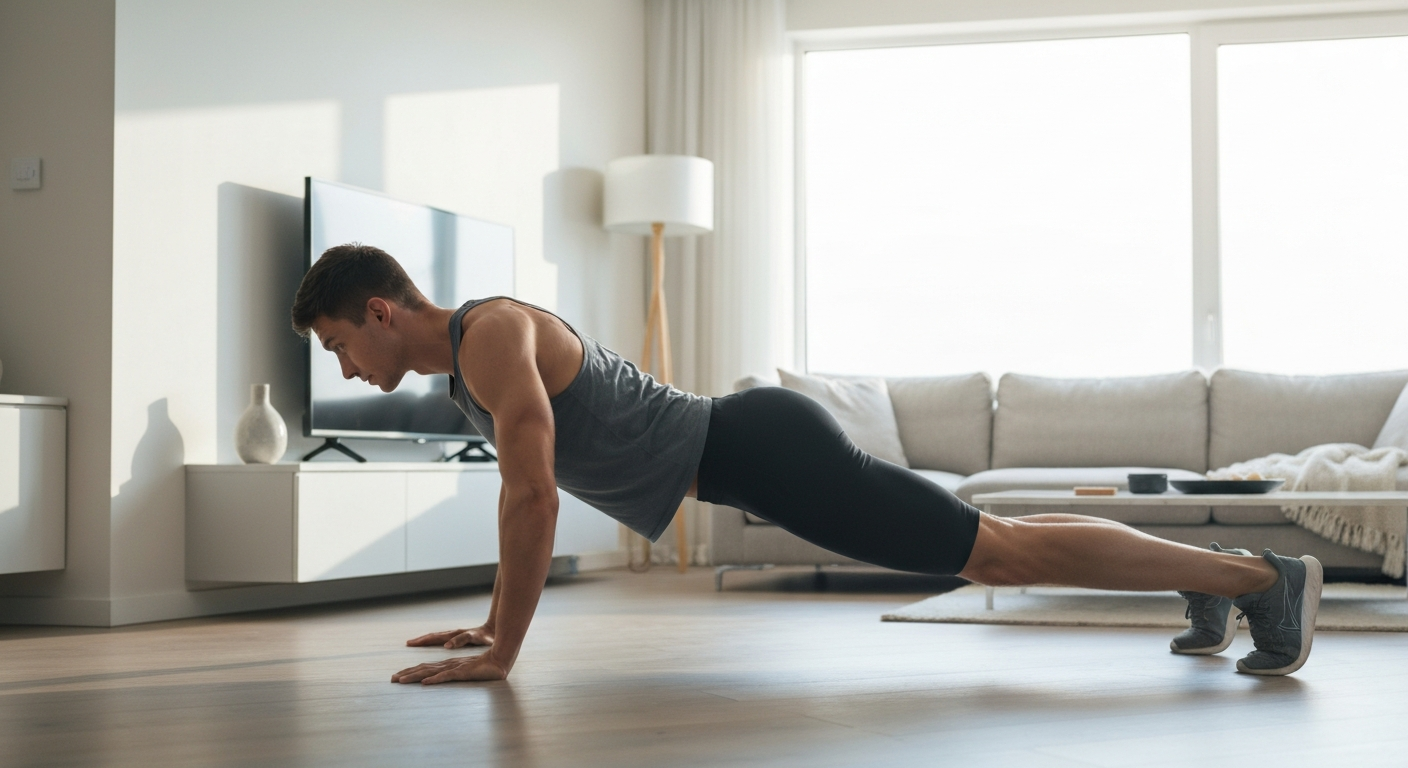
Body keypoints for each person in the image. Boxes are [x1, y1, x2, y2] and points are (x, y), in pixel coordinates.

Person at [289, 244, 1324, 684]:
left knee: (995, 557)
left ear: (380, 311)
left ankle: (1258, 580)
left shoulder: (490, 332)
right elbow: (529, 497)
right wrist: (495, 619)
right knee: (995, 551)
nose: (343, 362)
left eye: (338, 342)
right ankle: (1213, 578)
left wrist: (504, 648)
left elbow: (530, 492)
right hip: (753, 453)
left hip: (763, 449)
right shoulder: (462, 374)